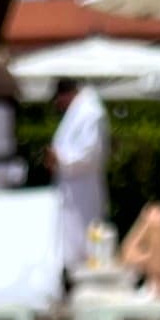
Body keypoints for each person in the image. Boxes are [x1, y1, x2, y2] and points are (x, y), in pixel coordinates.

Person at [49, 76, 109, 265]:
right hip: (72, 187)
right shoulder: (81, 112)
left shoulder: (91, 112)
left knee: (85, 234)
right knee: (72, 235)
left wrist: (61, 160)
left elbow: (90, 153)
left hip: (83, 187)